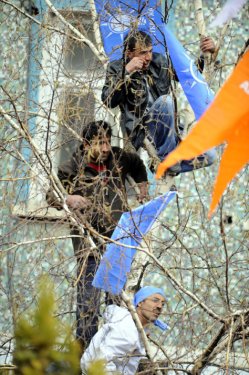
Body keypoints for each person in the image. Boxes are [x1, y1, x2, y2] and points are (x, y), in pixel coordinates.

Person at [46, 121, 148, 351]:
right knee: (87, 306)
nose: (105, 148)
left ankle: (113, 356)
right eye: (99, 143)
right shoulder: (72, 167)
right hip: (88, 247)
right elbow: (51, 194)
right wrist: (67, 199)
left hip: (117, 245)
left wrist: (143, 183)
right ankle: (85, 359)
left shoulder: (119, 158)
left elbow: (137, 163)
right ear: (86, 143)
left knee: (117, 306)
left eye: (107, 142)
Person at [102, 30, 217, 174]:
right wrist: (126, 71)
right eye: (143, 53)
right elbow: (108, 100)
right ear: (129, 53)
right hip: (142, 129)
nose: (148, 57)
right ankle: (167, 159)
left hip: (168, 127)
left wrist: (207, 54)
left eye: (150, 51)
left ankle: (165, 165)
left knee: (210, 155)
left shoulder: (159, 61)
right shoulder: (116, 67)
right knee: (165, 101)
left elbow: (187, 75)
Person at [81, 286, 168, 375]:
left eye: (163, 304)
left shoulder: (135, 327)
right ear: (140, 303)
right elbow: (103, 362)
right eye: (155, 300)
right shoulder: (127, 328)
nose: (160, 306)